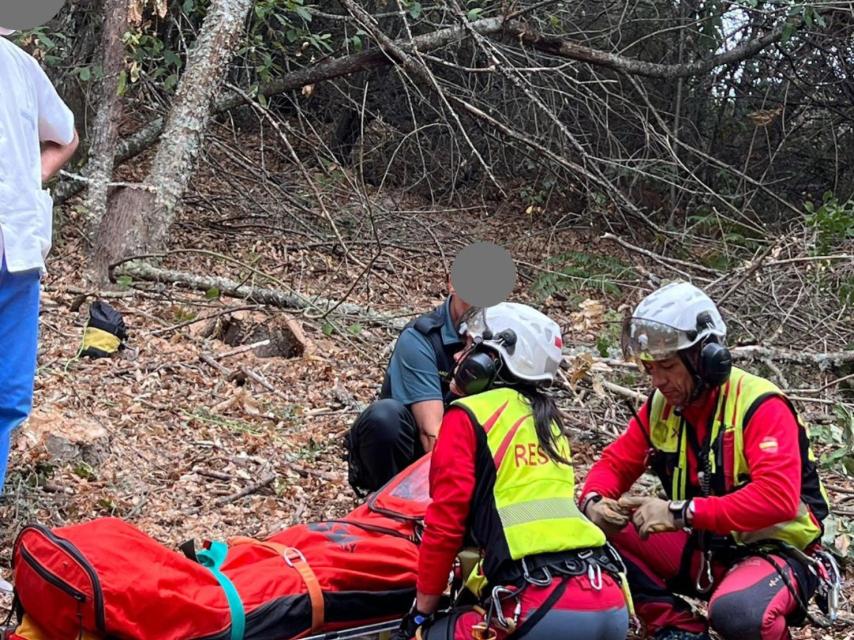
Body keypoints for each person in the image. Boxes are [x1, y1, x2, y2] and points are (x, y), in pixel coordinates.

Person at [579, 281, 835, 640]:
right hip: (708, 550)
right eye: (649, 368)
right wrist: (593, 502)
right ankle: (678, 628)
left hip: (781, 554)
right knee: (585, 531)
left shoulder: (759, 405)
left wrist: (679, 512)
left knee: (739, 614)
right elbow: (615, 463)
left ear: (707, 358)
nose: (658, 380)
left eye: (667, 366)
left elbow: (777, 498)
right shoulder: (663, 406)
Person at [394, 302, 629, 640]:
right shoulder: (549, 420)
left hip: (541, 605)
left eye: (469, 347)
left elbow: (444, 527)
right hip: (607, 598)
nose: (458, 357)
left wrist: (422, 611)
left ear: (490, 359)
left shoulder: (468, 415)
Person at [0, 28, 79, 486]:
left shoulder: (21, 66)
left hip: (17, 255)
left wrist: (33, 177)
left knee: (8, 395)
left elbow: (65, 135)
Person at [345, 287, 472, 494]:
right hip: (418, 453)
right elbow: (431, 434)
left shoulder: (504, 334)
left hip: (476, 445)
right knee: (384, 418)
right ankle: (390, 500)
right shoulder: (421, 338)